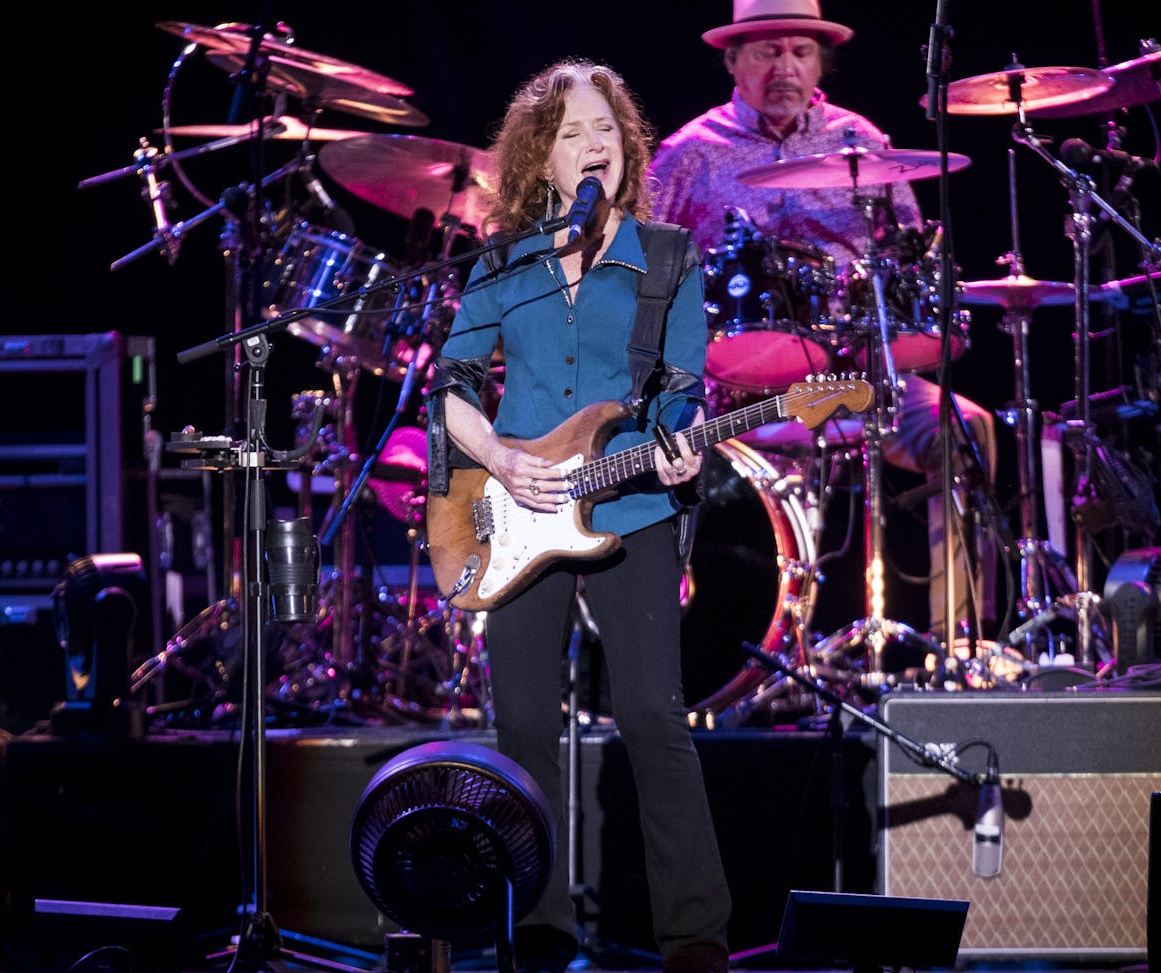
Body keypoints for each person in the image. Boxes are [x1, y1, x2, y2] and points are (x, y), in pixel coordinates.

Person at [425, 59, 731, 973]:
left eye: (605, 129)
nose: (593, 144)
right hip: (512, 511)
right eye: (571, 134)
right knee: (521, 726)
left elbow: (681, 394)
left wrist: (682, 446)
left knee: (651, 713)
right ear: (541, 161)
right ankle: (538, 927)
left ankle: (695, 935)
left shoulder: (666, 257)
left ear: (625, 146)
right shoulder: (503, 262)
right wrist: (503, 461)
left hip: (630, 505)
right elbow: (452, 389)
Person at [649, 0, 1000, 642]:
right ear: (732, 59)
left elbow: (908, 255)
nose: (785, 66)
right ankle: (729, 649)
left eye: (800, 51)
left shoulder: (860, 141)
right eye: (767, 50)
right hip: (738, 395)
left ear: (819, 62)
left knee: (965, 430)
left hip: (853, 376)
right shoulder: (686, 155)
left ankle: (958, 646)